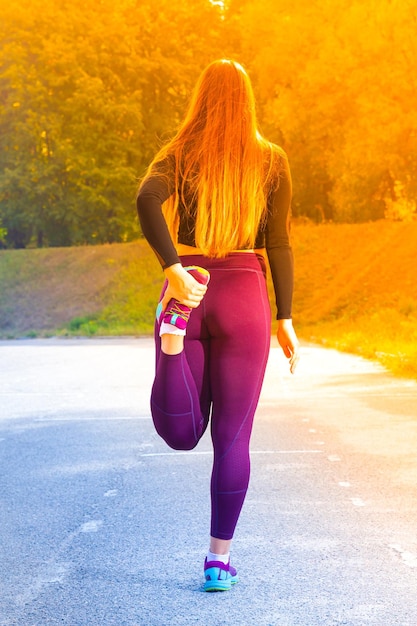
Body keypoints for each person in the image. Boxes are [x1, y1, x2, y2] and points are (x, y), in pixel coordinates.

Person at [136, 59, 300, 592]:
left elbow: (145, 200)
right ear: (248, 99)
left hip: (190, 289)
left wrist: (173, 269)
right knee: (233, 439)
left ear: (201, 98)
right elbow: (278, 243)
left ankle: (170, 342)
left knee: (182, 435)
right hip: (245, 294)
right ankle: (218, 562)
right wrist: (286, 316)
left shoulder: (178, 152)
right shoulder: (270, 159)